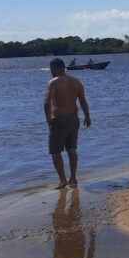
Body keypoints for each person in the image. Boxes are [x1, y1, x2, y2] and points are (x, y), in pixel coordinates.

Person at [44, 58, 91, 189]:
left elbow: (47, 103)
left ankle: (63, 180)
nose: (50, 71)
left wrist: (48, 119)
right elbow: (83, 101)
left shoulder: (53, 82)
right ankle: (73, 178)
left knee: (55, 151)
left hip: (59, 119)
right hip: (74, 119)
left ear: (54, 68)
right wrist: (87, 117)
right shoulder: (76, 82)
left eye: (51, 69)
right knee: (71, 149)